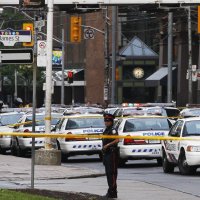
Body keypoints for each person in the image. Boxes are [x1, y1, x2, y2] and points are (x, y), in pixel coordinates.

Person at [102, 113, 119, 199]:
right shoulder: (106, 130)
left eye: (108, 121)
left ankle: (112, 191)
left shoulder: (113, 130)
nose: (106, 122)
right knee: (108, 173)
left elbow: (117, 140)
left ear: (111, 122)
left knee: (112, 173)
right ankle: (112, 191)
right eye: (105, 121)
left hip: (112, 154)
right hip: (106, 154)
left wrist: (108, 145)